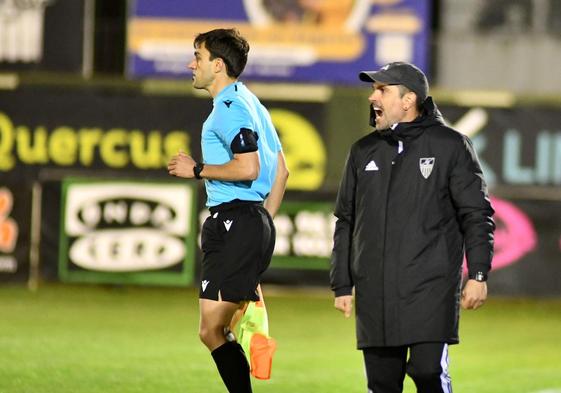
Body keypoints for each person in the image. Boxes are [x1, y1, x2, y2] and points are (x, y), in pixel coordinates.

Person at [330, 62, 495, 393]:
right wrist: (342, 284)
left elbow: (476, 214)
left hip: (430, 289)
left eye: (382, 89)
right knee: (382, 383)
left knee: (427, 371)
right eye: (373, 89)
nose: (372, 97)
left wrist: (478, 275)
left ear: (408, 100)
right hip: (375, 290)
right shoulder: (363, 151)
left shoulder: (450, 145)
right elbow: (346, 220)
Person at [167, 28, 289, 393]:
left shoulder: (228, 110)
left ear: (217, 65)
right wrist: (263, 221)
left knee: (211, 329)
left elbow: (249, 167)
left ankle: (256, 333)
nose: (192, 64)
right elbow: (281, 171)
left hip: (235, 220)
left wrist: (198, 169)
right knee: (214, 326)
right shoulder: (253, 103)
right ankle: (253, 327)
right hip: (249, 220)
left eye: (198, 57)